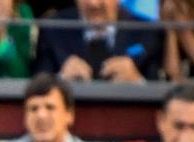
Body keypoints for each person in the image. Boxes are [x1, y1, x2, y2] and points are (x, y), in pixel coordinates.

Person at [33, 0, 163, 82]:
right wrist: (61, 79)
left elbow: (160, 88)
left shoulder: (146, 30)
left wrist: (136, 80)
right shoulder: (53, 28)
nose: (93, 3)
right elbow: (38, 85)